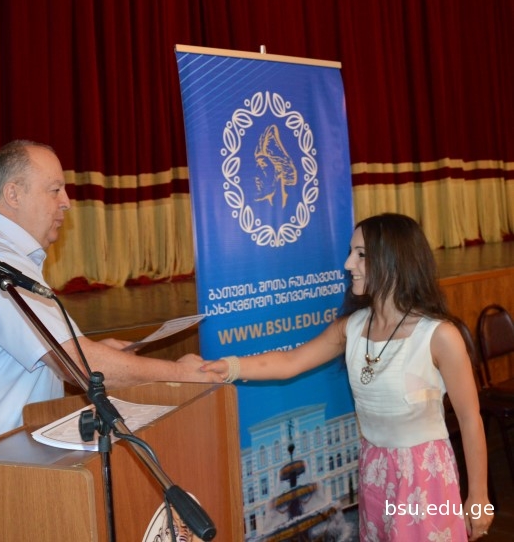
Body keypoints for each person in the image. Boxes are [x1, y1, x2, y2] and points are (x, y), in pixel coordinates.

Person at [0, 140, 221, 473]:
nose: (67, 202)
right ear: (13, 194)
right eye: (54, 190)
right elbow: (75, 363)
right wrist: (181, 376)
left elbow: (53, 356)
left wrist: (93, 355)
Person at [202, 213, 493, 541]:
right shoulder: (351, 327)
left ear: (395, 260)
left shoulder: (439, 335)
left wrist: (479, 498)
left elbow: (470, 419)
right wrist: (229, 367)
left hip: (424, 478)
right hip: (374, 470)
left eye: (361, 254)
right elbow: (290, 361)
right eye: (351, 252)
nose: (347, 264)